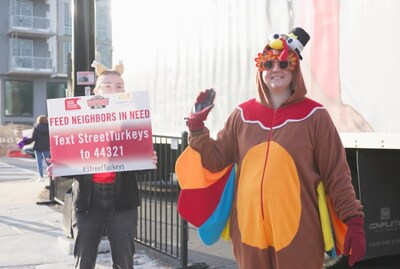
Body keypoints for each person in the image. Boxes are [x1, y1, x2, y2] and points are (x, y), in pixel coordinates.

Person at [185, 27, 365, 269]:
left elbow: (336, 174)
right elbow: (216, 160)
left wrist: (353, 219)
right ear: (260, 69)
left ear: (295, 67)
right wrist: (197, 127)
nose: (276, 70)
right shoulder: (242, 115)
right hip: (249, 233)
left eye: (284, 63)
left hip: (300, 232)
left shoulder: (314, 116)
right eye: (268, 64)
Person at [48, 60, 157, 269]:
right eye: (107, 85)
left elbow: (140, 168)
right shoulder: (78, 119)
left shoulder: (132, 119)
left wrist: (147, 161)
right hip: (88, 203)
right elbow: (70, 159)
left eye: (119, 86)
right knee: (84, 260)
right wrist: (60, 167)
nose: (113, 89)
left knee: (124, 261)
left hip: (122, 201)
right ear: (96, 90)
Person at [22, 115, 51, 180]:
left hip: (37, 147)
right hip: (46, 147)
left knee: (39, 162)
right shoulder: (49, 128)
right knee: (49, 162)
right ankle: (51, 176)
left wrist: (24, 142)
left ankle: (41, 177)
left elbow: (33, 139)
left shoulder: (36, 128)